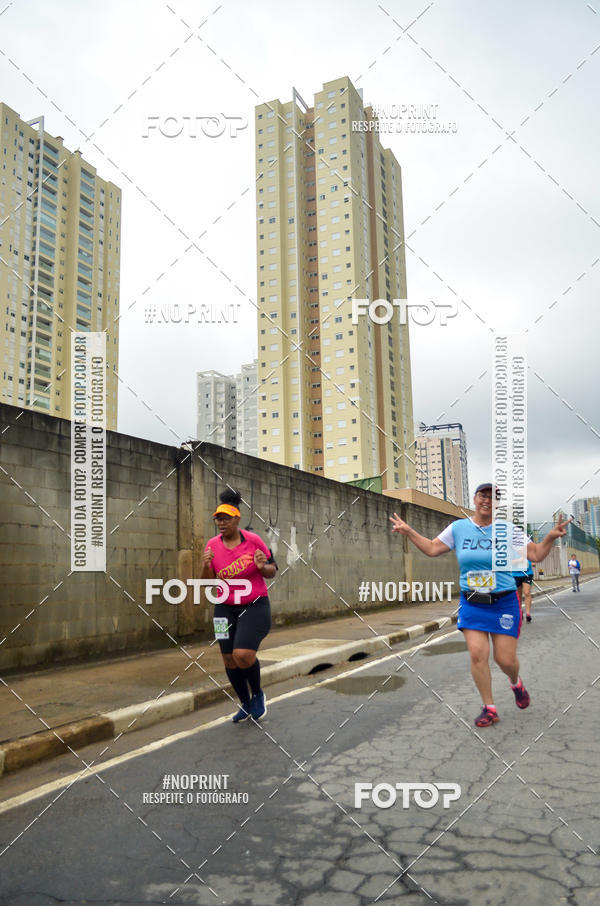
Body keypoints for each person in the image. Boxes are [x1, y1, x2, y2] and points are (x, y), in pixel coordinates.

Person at [390, 484, 572, 728]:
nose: (487, 500)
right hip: (473, 602)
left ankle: (515, 682)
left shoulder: (508, 530)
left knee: (505, 659)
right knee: (477, 654)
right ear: (475, 499)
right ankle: (489, 708)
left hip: (504, 602)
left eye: (493, 497)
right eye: (483, 496)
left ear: (497, 504)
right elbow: (433, 548)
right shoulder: (458, 528)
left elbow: (536, 554)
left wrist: (550, 536)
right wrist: (409, 531)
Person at [202, 488, 277, 723]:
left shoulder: (253, 540)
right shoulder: (212, 545)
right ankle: (245, 702)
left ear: (237, 519)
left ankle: (258, 694)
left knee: (242, 654)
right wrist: (206, 566)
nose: (221, 523)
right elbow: (206, 582)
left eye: (225, 518)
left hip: (254, 606)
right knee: (228, 658)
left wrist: (262, 566)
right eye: (218, 519)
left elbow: (272, 571)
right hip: (223, 608)